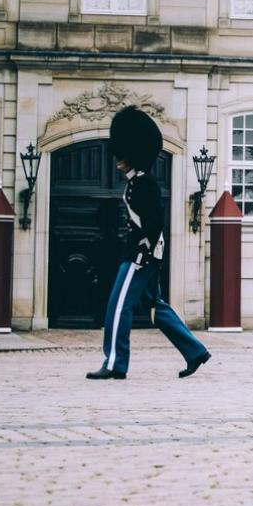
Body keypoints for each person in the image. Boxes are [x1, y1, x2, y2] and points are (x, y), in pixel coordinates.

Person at [87, 106, 211, 380]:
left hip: (140, 256)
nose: (118, 159)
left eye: (123, 155)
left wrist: (142, 255)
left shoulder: (146, 185)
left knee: (118, 306)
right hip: (142, 254)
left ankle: (115, 363)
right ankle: (195, 351)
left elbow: (155, 225)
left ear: (133, 155)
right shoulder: (136, 182)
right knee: (156, 309)